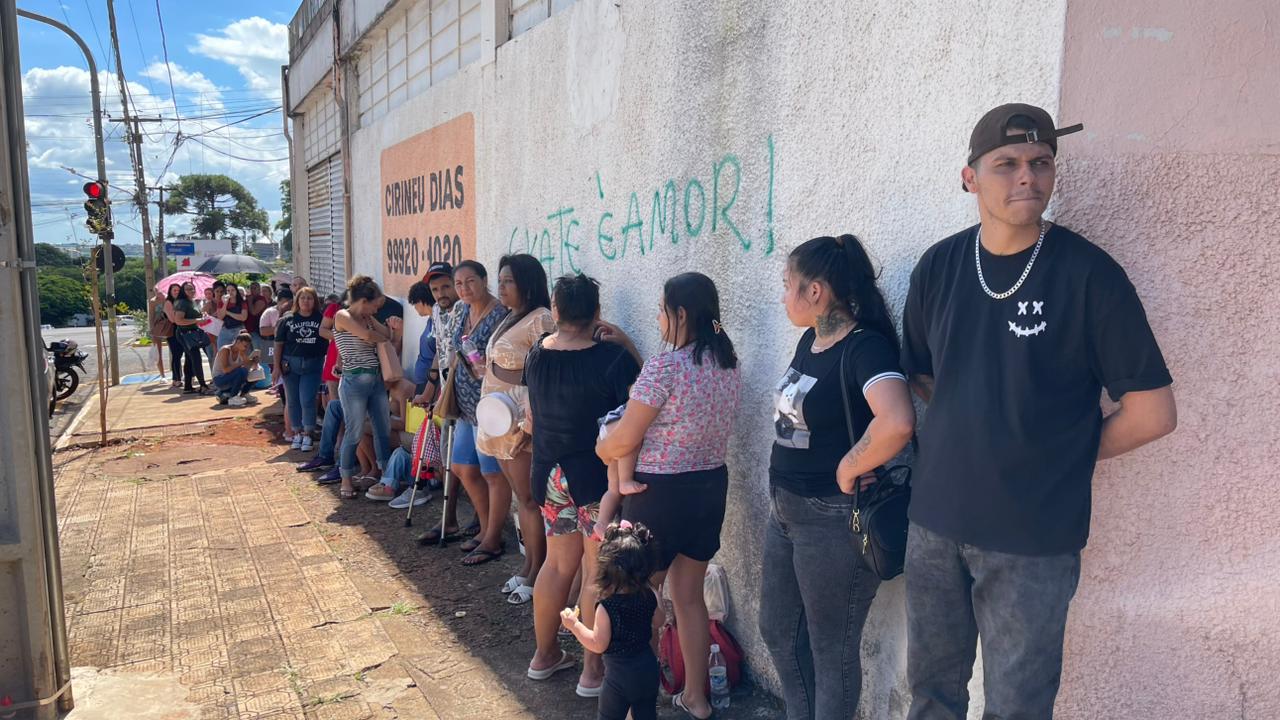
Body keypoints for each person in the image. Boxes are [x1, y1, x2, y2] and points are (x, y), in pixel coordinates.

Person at [901, 104, 1176, 720]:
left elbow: (1153, 411)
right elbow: (921, 375)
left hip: (1032, 541)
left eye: (1040, 162)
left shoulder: (1090, 277)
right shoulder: (939, 267)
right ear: (970, 177)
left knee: (1017, 708)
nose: (1027, 176)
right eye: (1006, 164)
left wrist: (1058, 447)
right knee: (931, 698)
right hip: (935, 523)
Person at [758, 234, 916, 720]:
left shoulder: (864, 348)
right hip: (786, 512)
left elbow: (898, 420)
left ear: (816, 291)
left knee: (832, 654)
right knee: (778, 632)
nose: (783, 294)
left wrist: (849, 466)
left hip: (832, 519)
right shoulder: (811, 340)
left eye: (789, 284)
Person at [595, 272, 741, 720]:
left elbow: (623, 439)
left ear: (681, 314)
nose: (657, 317)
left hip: (658, 493)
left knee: (634, 601)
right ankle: (696, 696)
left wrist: (602, 446)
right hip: (709, 488)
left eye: (662, 308)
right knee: (689, 596)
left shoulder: (665, 367)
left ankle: (631, 694)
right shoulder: (728, 363)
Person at [525, 274, 642, 697]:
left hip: (549, 475)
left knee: (556, 566)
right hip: (595, 479)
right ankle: (591, 673)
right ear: (596, 312)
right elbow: (644, 398)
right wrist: (627, 341)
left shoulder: (537, 355)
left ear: (555, 311)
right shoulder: (612, 359)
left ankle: (544, 655)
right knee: (596, 570)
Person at [475, 254, 556, 604]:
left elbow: (547, 371)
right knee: (521, 500)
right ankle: (529, 564)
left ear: (527, 282)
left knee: (529, 499)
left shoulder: (542, 319)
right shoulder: (511, 316)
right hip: (497, 418)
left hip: (521, 421)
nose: (502, 286)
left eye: (508, 280)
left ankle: (539, 570)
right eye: (501, 280)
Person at [442, 260, 510, 566]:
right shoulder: (460, 310)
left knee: (493, 474)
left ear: (484, 281)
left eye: (470, 281)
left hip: (491, 405)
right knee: (463, 468)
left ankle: (494, 538)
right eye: (459, 284)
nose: (464, 289)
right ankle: (484, 528)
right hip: (466, 404)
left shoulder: (500, 314)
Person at [560, 521, 660, 720]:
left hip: (619, 677)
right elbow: (659, 621)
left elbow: (598, 644)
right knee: (646, 714)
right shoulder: (650, 595)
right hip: (648, 669)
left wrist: (575, 625)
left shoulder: (607, 607)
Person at [332, 275, 395, 500]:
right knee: (354, 432)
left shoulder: (368, 319)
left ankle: (386, 474)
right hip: (353, 382)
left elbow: (385, 335)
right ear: (364, 301)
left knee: (382, 429)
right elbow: (369, 336)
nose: (377, 310)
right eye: (375, 305)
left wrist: (378, 328)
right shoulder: (342, 315)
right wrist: (380, 335)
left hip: (375, 380)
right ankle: (346, 478)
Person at [275, 287, 329, 451]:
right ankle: (296, 432)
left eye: (310, 298)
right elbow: (278, 344)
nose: (306, 301)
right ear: (297, 300)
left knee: (307, 399)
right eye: (303, 298)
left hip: (313, 364)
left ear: (315, 301)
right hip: (290, 365)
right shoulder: (287, 320)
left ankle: (308, 433)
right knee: (292, 400)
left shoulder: (321, 319)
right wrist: (276, 367)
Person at [172, 282, 211, 395]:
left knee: (190, 360)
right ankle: (203, 386)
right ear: (183, 291)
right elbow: (178, 320)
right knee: (196, 358)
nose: (191, 291)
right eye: (188, 289)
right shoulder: (182, 302)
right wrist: (197, 320)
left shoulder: (191, 301)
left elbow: (193, 316)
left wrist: (201, 316)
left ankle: (188, 386)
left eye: (192, 289)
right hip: (185, 334)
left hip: (190, 333)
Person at [212, 332, 259, 406]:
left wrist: (254, 362)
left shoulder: (242, 351)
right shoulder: (225, 350)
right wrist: (241, 363)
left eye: (247, 346)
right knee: (241, 371)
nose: (246, 348)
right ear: (238, 342)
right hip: (220, 379)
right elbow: (225, 370)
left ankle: (244, 394)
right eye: (245, 346)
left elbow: (248, 367)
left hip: (232, 376)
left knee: (257, 372)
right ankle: (233, 397)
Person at [160, 283, 184, 389]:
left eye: (178, 290)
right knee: (176, 354)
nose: (176, 292)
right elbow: (173, 319)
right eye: (174, 290)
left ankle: (186, 376)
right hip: (173, 331)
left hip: (183, 329)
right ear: (170, 291)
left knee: (186, 353)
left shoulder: (181, 301)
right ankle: (176, 379)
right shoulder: (168, 303)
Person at [218, 285, 249, 350]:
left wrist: (228, 312)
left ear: (236, 291)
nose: (230, 292)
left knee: (239, 353)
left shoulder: (242, 302)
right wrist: (225, 303)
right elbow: (220, 317)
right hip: (225, 330)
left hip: (239, 330)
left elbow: (243, 317)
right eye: (228, 290)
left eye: (232, 290)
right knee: (223, 352)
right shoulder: (221, 302)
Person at [200, 283, 223, 367]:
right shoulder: (209, 303)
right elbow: (202, 318)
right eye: (217, 291)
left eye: (222, 291)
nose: (219, 293)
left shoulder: (226, 302)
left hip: (223, 332)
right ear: (214, 292)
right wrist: (213, 315)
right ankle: (214, 377)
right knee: (212, 356)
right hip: (211, 334)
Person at [246, 281, 269, 355]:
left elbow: (254, 312)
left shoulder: (261, 299)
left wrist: (249, 301)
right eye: (251, 288)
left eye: (255, 288)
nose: (253, 290)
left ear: (259, 290)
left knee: (257, 354)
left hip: (256, 331)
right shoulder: (250, 297)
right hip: (248, 330)